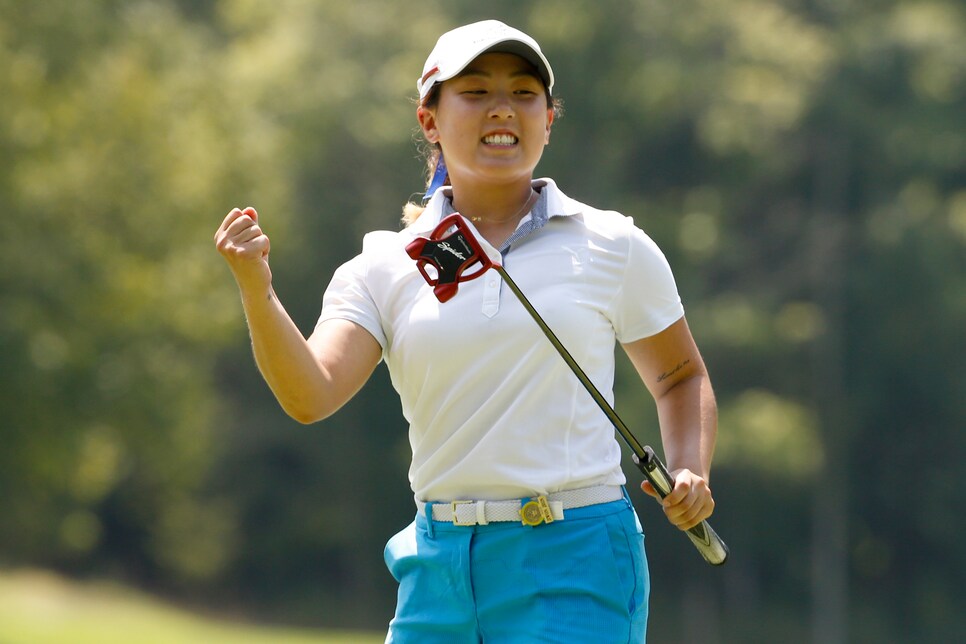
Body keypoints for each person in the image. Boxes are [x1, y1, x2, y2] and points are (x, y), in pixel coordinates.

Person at [214, 19, 717, 643]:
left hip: (575, 554)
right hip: (438, 566)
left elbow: (680, 376)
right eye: (475, 92)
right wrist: (257, 291)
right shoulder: (383, 265)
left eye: (524, 93)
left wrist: (690, 467)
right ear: (430, 120)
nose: (502, 108)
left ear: (549, 119)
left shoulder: (613, 243)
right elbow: (312, 394)